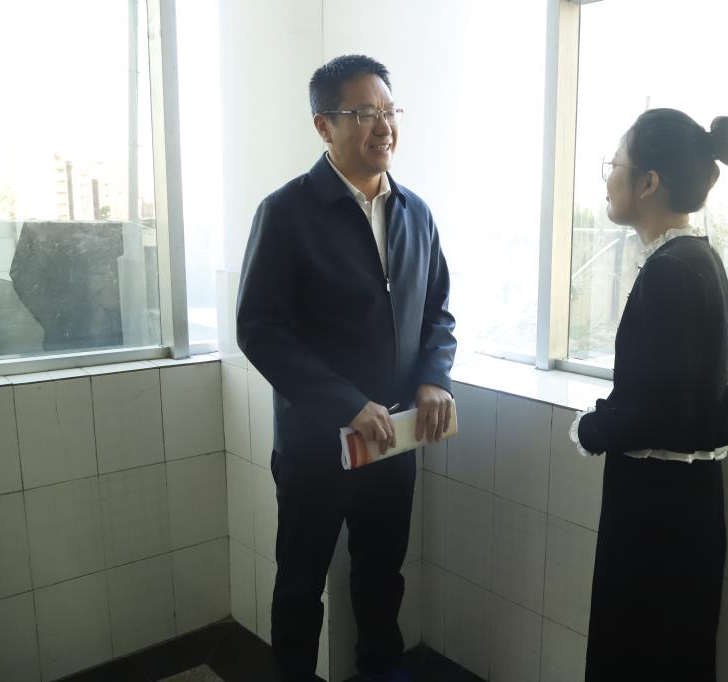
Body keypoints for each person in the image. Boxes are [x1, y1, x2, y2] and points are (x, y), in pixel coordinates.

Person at [237, 54, 457, 682]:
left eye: (389, 111)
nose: (383, 126)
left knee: (382, 577)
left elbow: (438, 311)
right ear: (323, 126)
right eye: (363, 113)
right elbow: (260, 331)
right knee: (300, 584)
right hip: (316, 444)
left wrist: (434, 378)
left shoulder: (415, 212)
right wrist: (347, 404)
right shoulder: (287, 213)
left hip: (394, 439)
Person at [571, 108, 728, 681]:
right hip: (686, 503)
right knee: (674, 652)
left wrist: (589, 429)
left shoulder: (670, 270)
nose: (608, 179)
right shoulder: (699, 258)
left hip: (657, 509)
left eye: (614, 165)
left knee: (635, 652)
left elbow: (655, 410)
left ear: (648, 182)